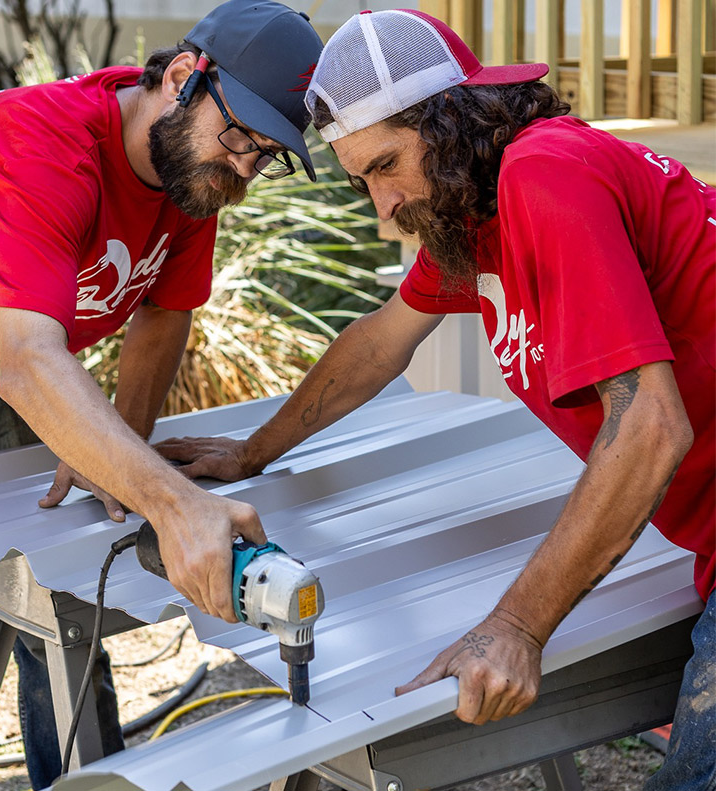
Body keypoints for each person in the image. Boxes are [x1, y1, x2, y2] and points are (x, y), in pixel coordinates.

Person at [155, 9, 715, 790]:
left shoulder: (545, 173)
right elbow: (382, 339)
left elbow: (650, 426)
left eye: (385, 165)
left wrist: (516, 625)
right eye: (362, 181)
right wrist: (253, 450)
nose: (381, 206)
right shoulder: (470, 218)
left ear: (449, 122)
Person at [0, 0, 322, 786]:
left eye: (267, 154)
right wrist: (175, 504)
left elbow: (163, 313)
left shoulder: (192, 170)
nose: (246, 167)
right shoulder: (39, 139)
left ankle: (84, 778)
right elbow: (29, 362)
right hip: (4, 366)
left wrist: (118, 453)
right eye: (240, 136)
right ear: (184, 77)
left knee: (56, 588)